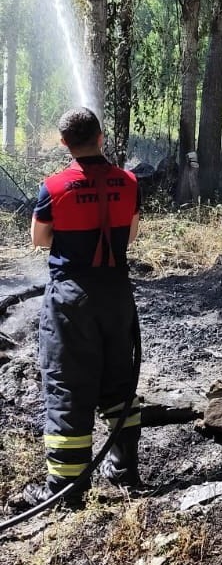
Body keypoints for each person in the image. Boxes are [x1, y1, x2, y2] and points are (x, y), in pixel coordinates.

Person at [27, 107, 142, 504]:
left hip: (71, 299)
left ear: (63, 143)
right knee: (119, 382)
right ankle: (125, 470)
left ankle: (66, 490)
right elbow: (131, 232)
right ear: (101, 137)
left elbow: (40, 240)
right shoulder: (129, 182)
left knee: (67, 386)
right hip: (117, 295)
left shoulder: (54, 187)